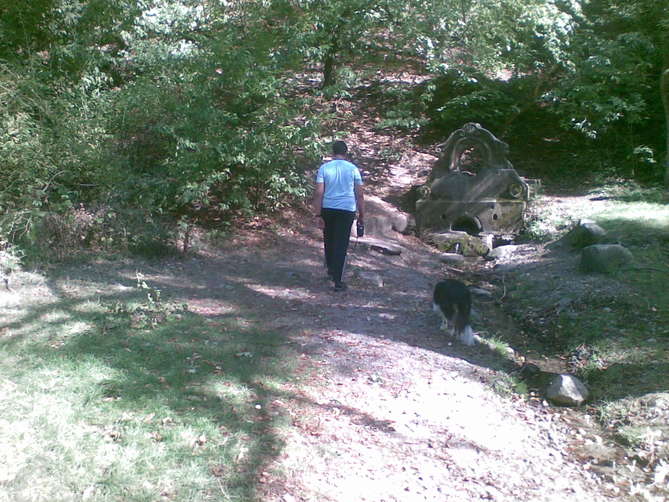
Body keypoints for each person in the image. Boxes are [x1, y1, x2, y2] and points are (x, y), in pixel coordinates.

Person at [312, 140, 364, 292]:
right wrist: (362, 215)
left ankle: (331, 270)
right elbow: (360, 194)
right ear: (346, 153)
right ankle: (338, 280)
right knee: (341, 243)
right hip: (347, 209)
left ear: (332, 152)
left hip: (328, 208)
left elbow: (319, 193)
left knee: (329, 240)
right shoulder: (353, 169)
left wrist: (318, 214)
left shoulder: (324, 168)